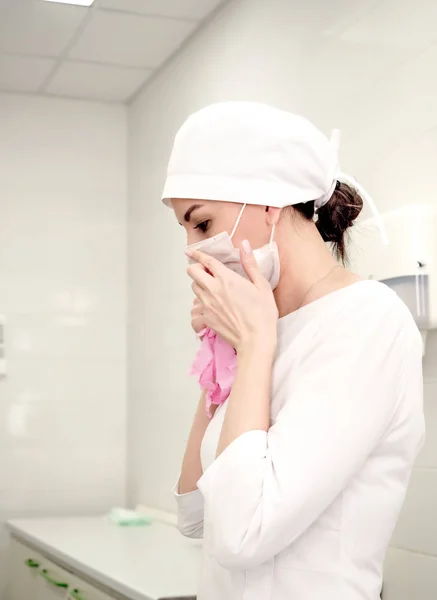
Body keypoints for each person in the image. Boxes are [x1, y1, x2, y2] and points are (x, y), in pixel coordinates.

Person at [161, 102, 425, 600]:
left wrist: (256, 343)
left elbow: (243, 535)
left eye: (201, 224)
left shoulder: (368, 320)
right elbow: (195, 516)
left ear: (267, 204)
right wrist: (224, 353)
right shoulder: (263, 328)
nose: (194, 251)